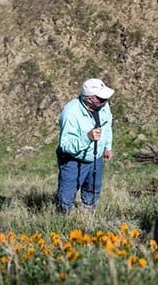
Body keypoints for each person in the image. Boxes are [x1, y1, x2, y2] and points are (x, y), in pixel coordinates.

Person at [55, 78, 115, 214]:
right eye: (101, 98)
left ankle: (88, 214)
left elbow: (107, 126)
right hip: (72, 159)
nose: (105, 101)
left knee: (93, 186)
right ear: (89, 98)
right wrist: (87, 138)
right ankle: (62, 218)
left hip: (95, 156)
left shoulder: (103, 106)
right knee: (67, 193)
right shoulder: (70, 113)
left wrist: (107, 147)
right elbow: (65, 145)